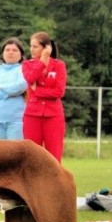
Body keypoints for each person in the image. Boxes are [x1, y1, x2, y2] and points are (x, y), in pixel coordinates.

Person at [21, 31, 68, 161]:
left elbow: (59, 92)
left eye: (35, 46)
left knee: (54, 155)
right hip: (32, 115)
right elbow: (30, 79)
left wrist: (38, 92)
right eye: (31, 46)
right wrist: (42, 61)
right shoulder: (27, 64)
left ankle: (54, 181)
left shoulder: (59, 65)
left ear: (46, 47)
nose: (31, 49)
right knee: (31, 154)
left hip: (53, 115)